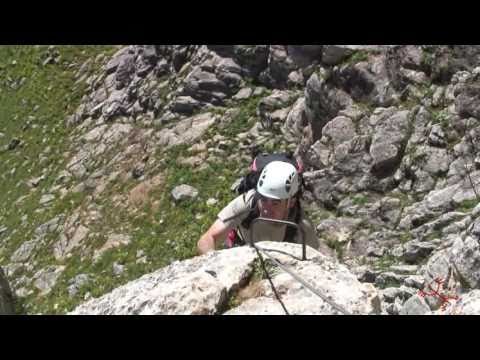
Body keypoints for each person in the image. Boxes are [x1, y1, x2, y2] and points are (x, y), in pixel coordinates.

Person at [197, 160, 320, 255]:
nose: (266, 208)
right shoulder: (248, 203)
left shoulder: (302, 226)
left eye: (275, 203)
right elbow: (207, 240)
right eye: (264, 199)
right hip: (242, 250)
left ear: (291, 202)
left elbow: (314, 263)